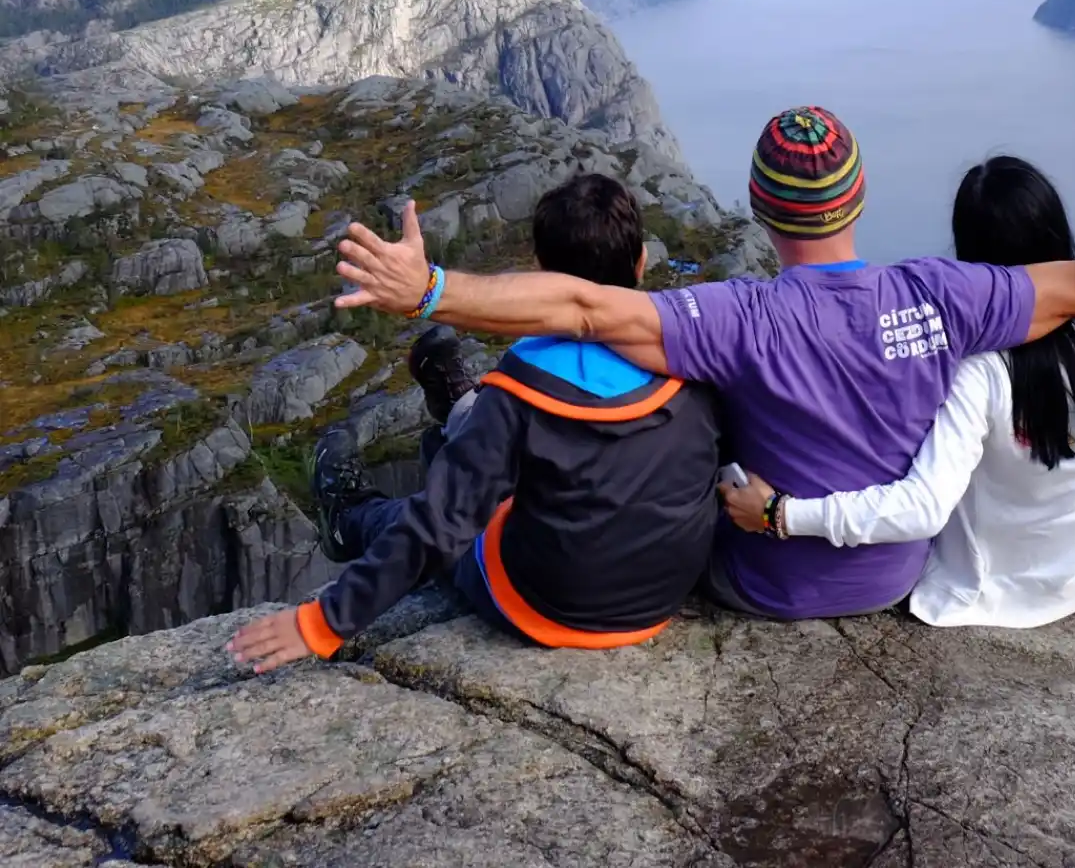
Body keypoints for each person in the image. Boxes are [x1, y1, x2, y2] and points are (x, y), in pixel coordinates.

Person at [325, 105, 1075, 625]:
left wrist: (435, 288)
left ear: (759, 207)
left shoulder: (737, 315)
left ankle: (449, 425)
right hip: (895, 582)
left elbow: (582, 305)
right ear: (857, 197)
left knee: (653, 392)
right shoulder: (945, 295)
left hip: (761, 583)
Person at [721, 155, 1075, 627]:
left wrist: (778, 513)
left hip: (996, 596)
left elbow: (923, 509)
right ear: (1058, 232)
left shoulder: (978, 372)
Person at [229, 173, 722, 673]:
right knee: (501, 458)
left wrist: (322, 623)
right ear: (640, 264)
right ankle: (457, 409)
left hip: (547, 603)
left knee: (425, 510)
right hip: (663, 593)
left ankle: (350, 516)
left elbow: (439, 526)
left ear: (539, 273)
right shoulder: (697, 361)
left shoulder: (524, 389)